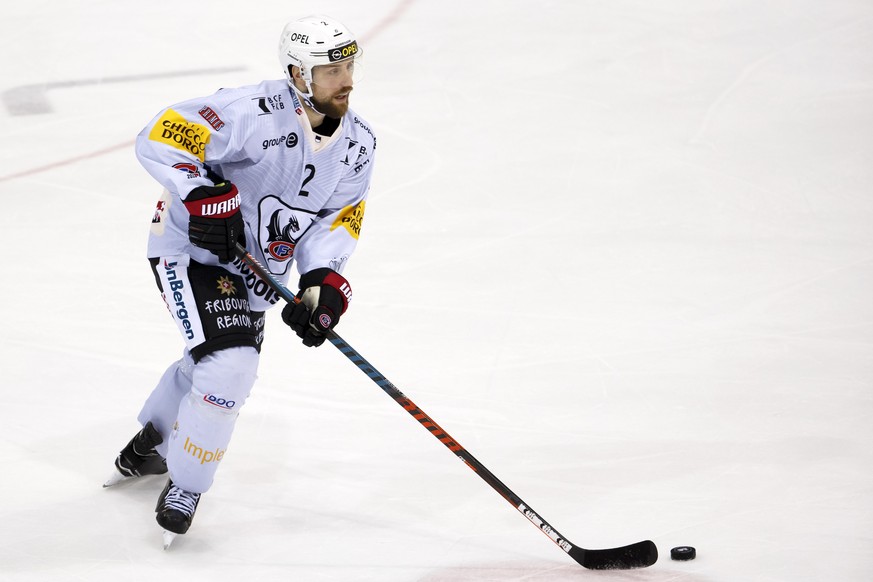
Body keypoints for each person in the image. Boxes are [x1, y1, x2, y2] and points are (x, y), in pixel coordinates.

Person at [104, 15, 376, 548]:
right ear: (299, 75)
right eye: (331, 70)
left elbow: (339, 218)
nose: (345, 80)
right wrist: (202, 191)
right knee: (231, 365)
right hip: (191, 251)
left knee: (210, 360)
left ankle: (154, 440)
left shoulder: (359, 145)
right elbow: (161, 135)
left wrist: (321, 285)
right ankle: (187, 483)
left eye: (348, 66)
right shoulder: (252, 112)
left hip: (256, 274)